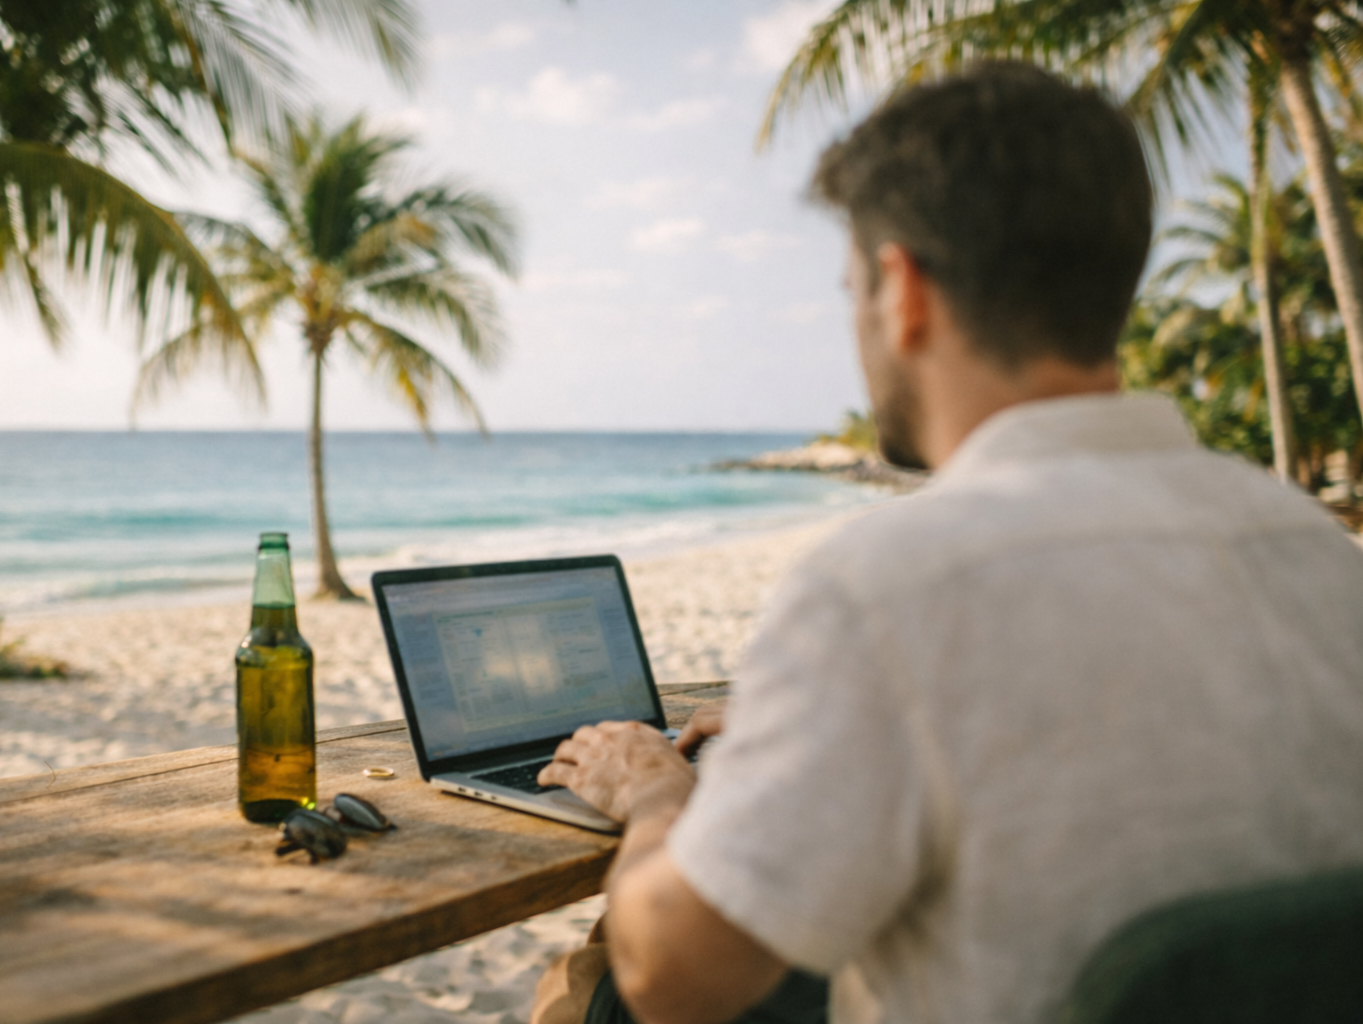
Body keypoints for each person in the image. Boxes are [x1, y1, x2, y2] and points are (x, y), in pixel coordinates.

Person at [528, 62, 1363, 1024]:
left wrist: (657, 795)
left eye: (850, 291)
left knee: (589, 983)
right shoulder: (1314, 551)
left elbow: (675, 980)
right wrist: (810, 734)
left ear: (902, 290)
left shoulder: (886, 590)